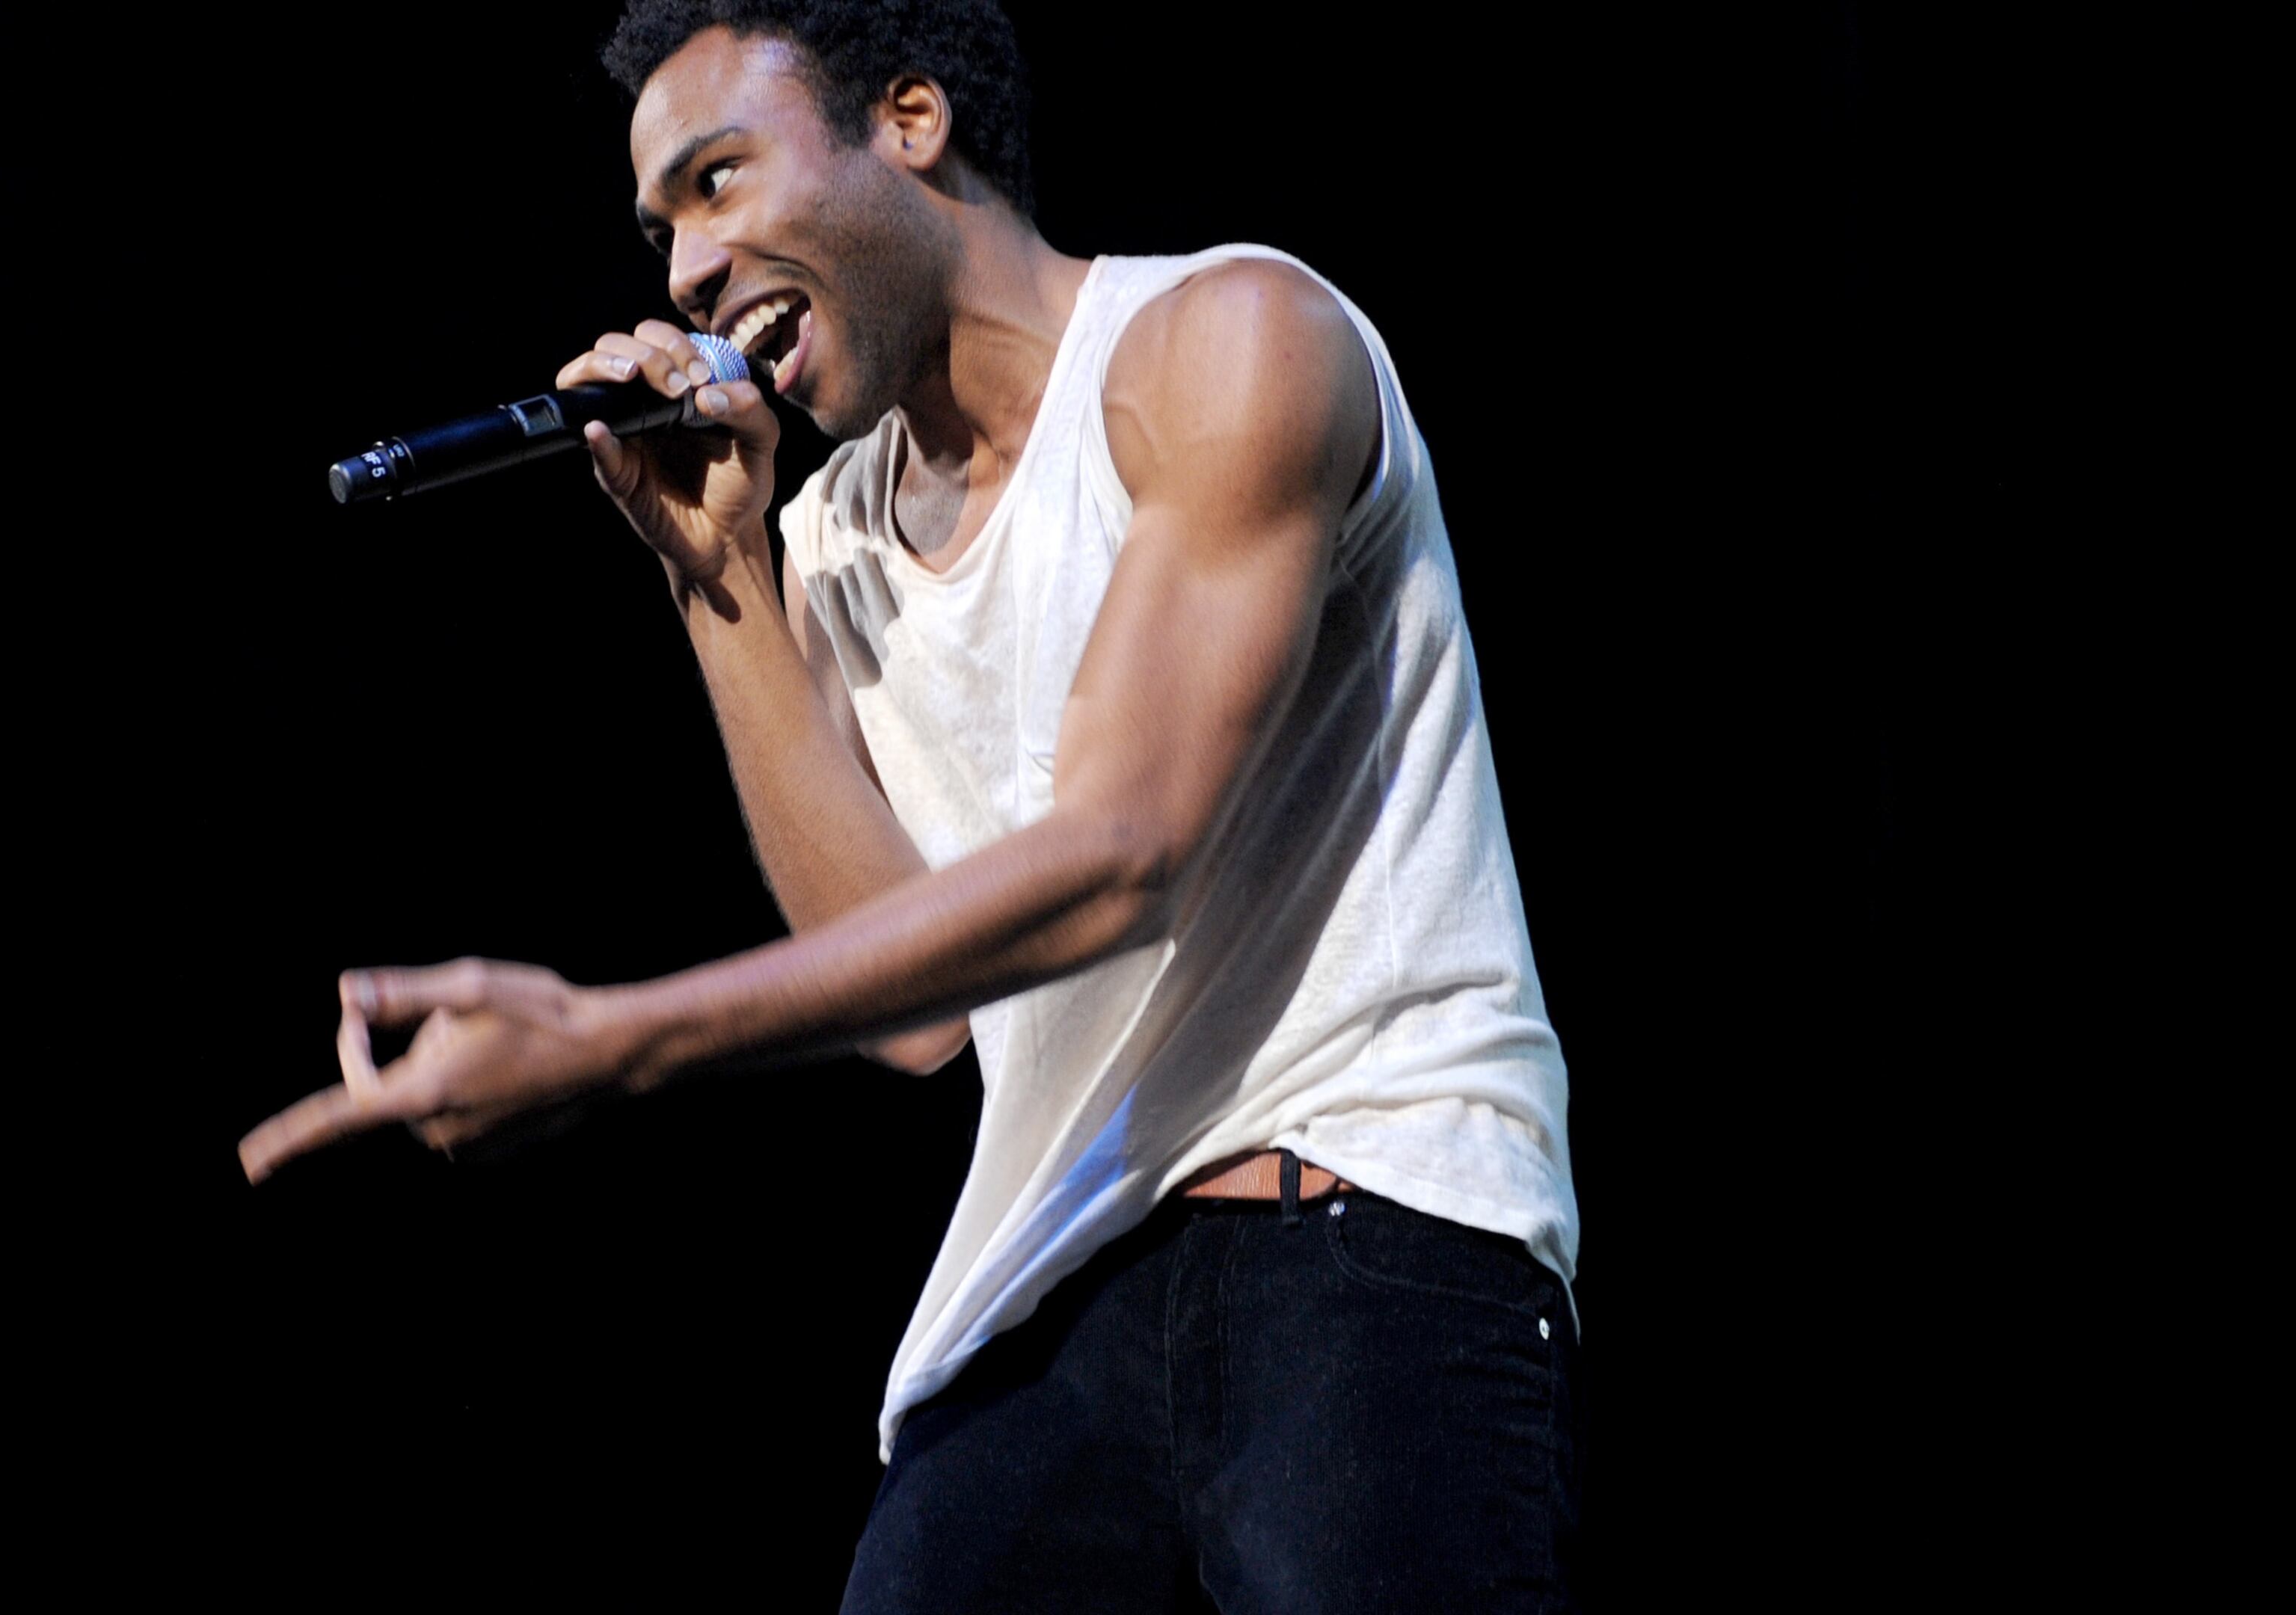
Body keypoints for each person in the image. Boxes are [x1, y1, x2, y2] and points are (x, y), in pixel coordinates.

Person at [241, 1, 1580, 1605]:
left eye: (719, 180)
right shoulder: (833, 546)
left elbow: (1121, 859)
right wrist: (720, 571)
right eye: (661, 227)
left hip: (1356, 1215)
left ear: (913, 121)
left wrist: (617, 1038)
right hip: (1040, 1303)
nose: (681, 270)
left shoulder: (1227, 343)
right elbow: (909, 1004)